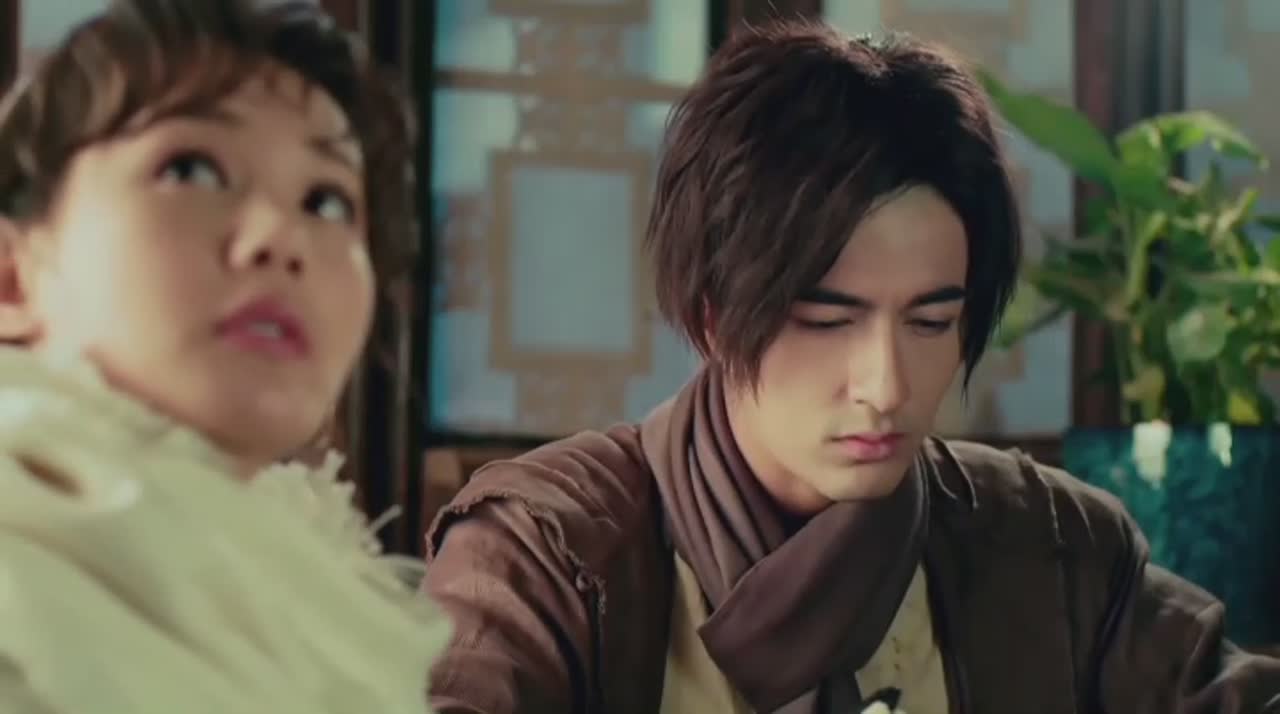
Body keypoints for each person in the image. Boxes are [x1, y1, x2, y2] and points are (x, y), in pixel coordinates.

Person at [422, 21, 1280, 714]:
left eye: (931, 322)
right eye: (828, 321)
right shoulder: (548, 559)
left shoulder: (1049, 548)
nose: (887, 386)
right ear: (715, 317)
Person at [0, 2, 448, 711]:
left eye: (328, 202)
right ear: (13, 275)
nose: (281, 236)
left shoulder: (336, 613)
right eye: (193, 169)